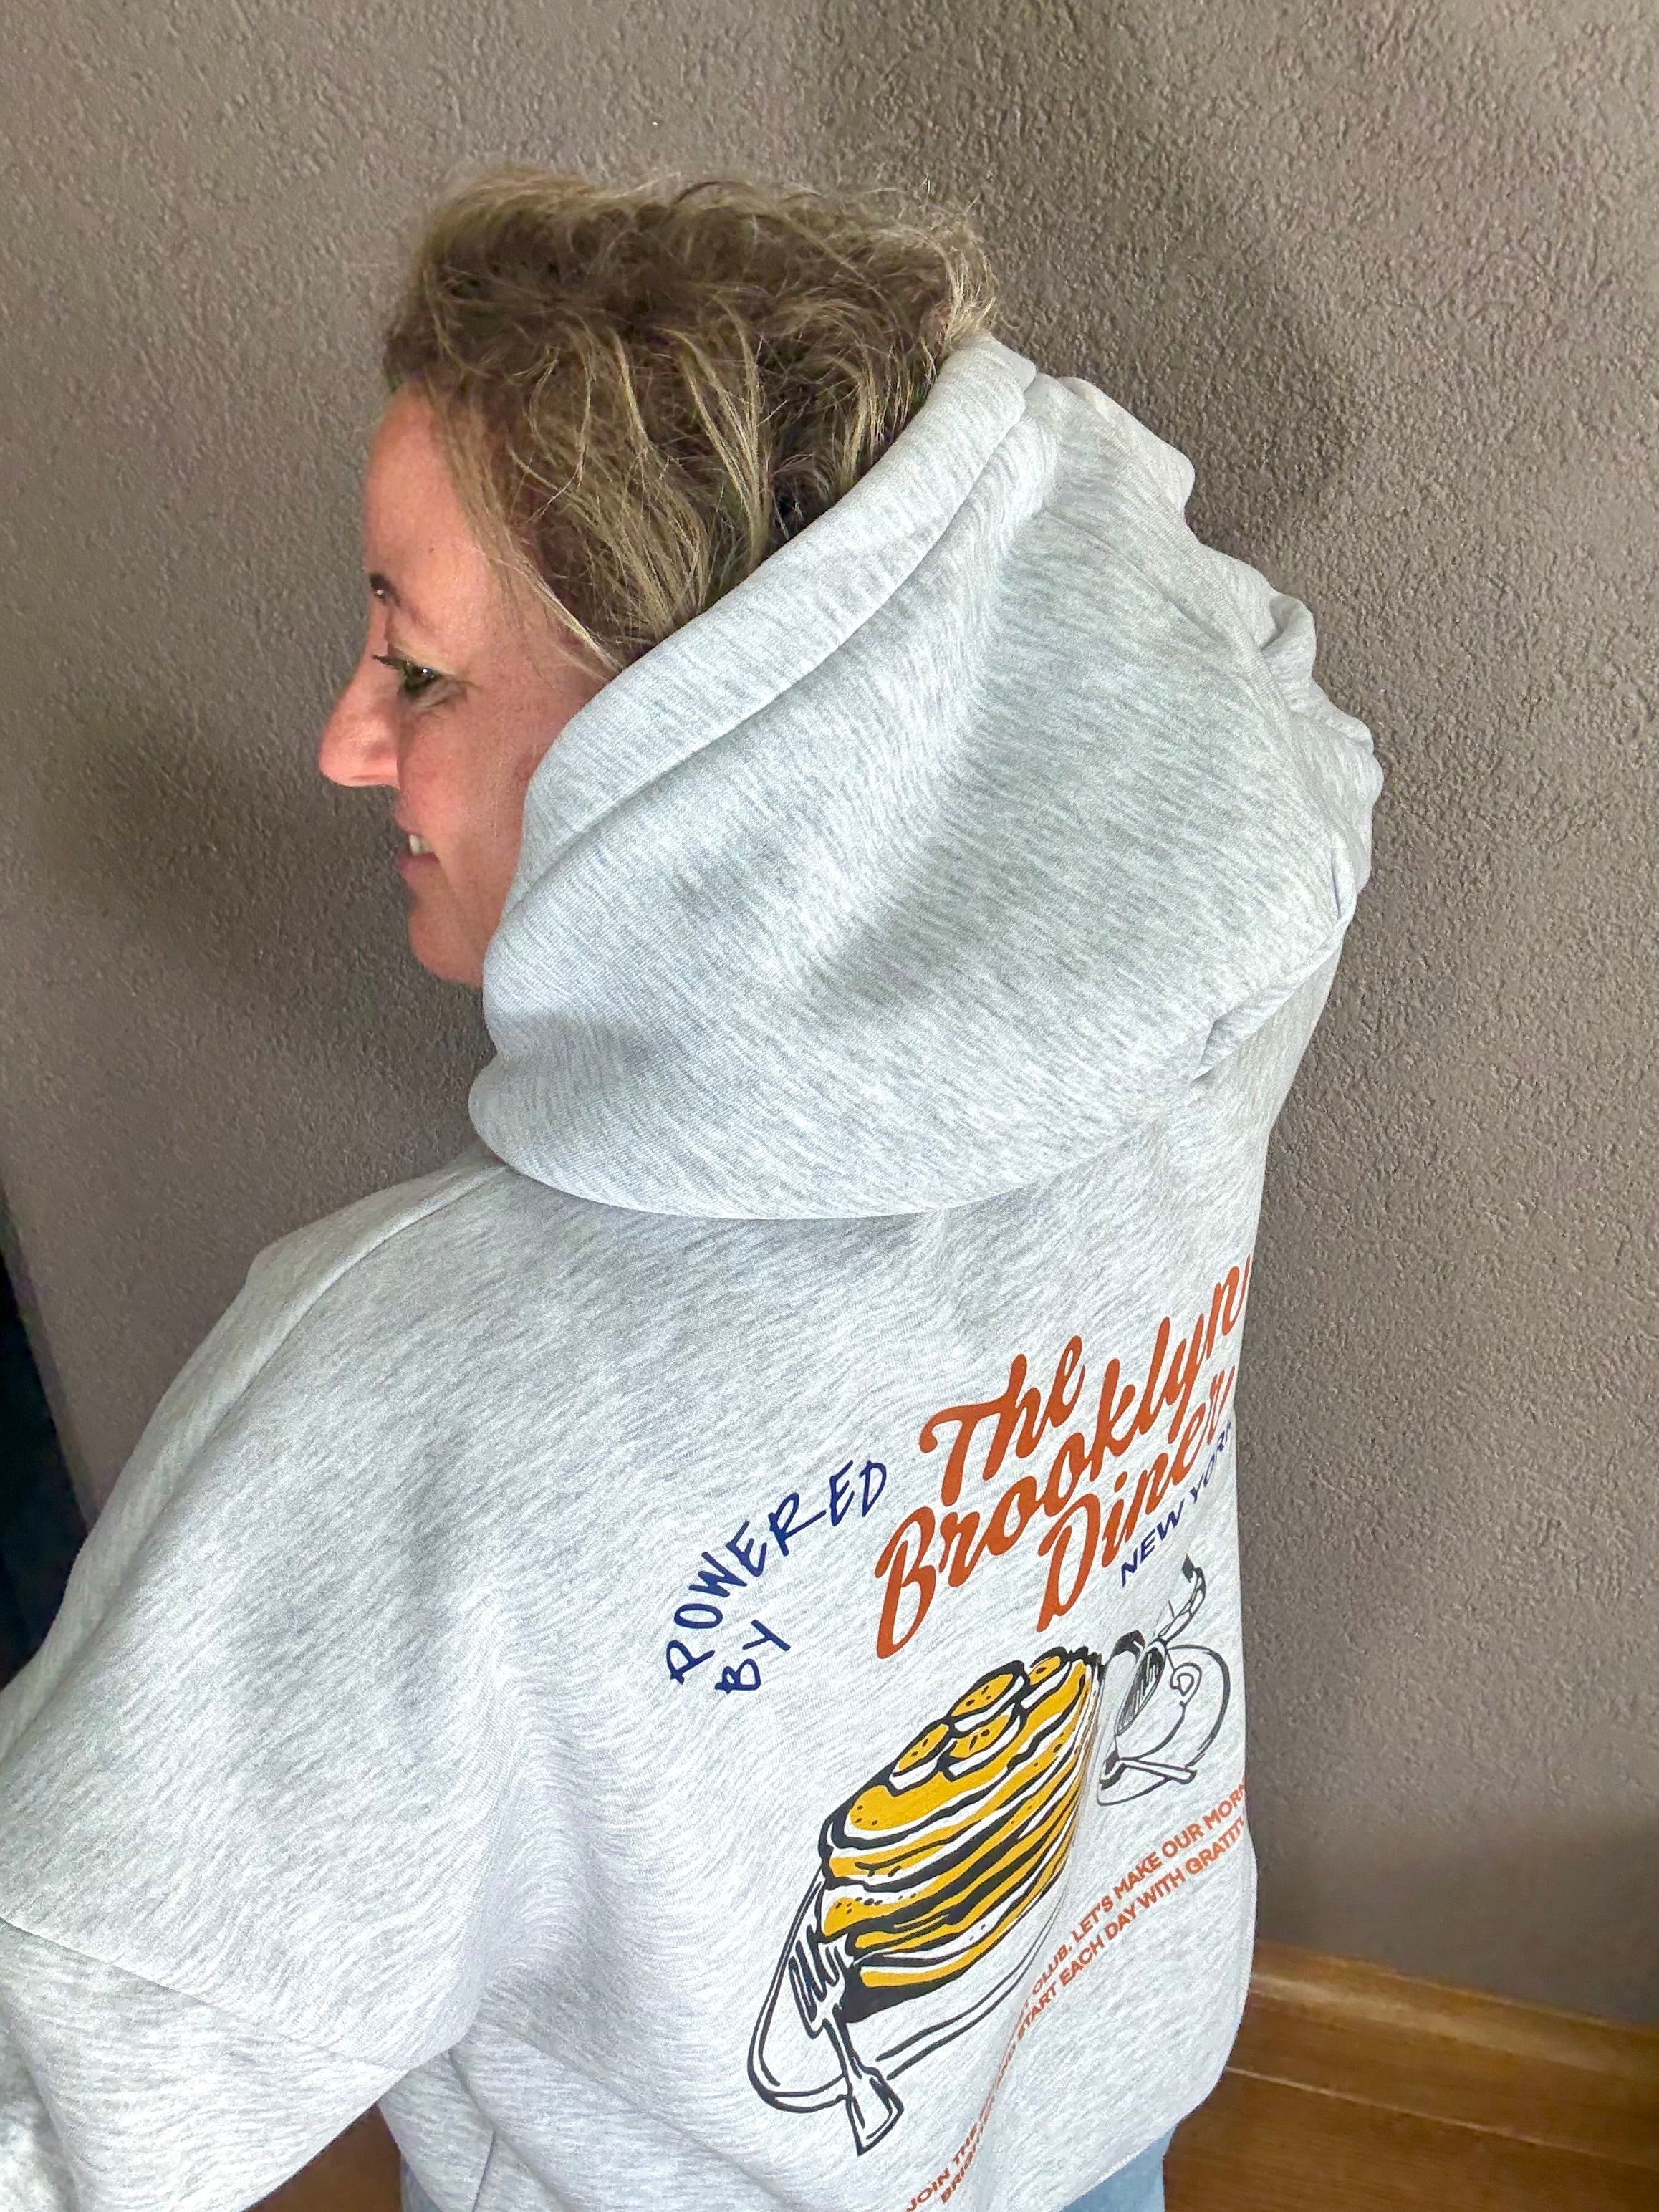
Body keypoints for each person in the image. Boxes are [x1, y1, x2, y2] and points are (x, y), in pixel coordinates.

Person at [0, 170, 1382, 2212]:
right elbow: (1224, 693)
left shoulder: (405, 1407)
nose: (347, 744)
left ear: (700, 745)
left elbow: (54, 2098)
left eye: (420, 672)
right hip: (1105, 2081)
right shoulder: (1204, 1008)